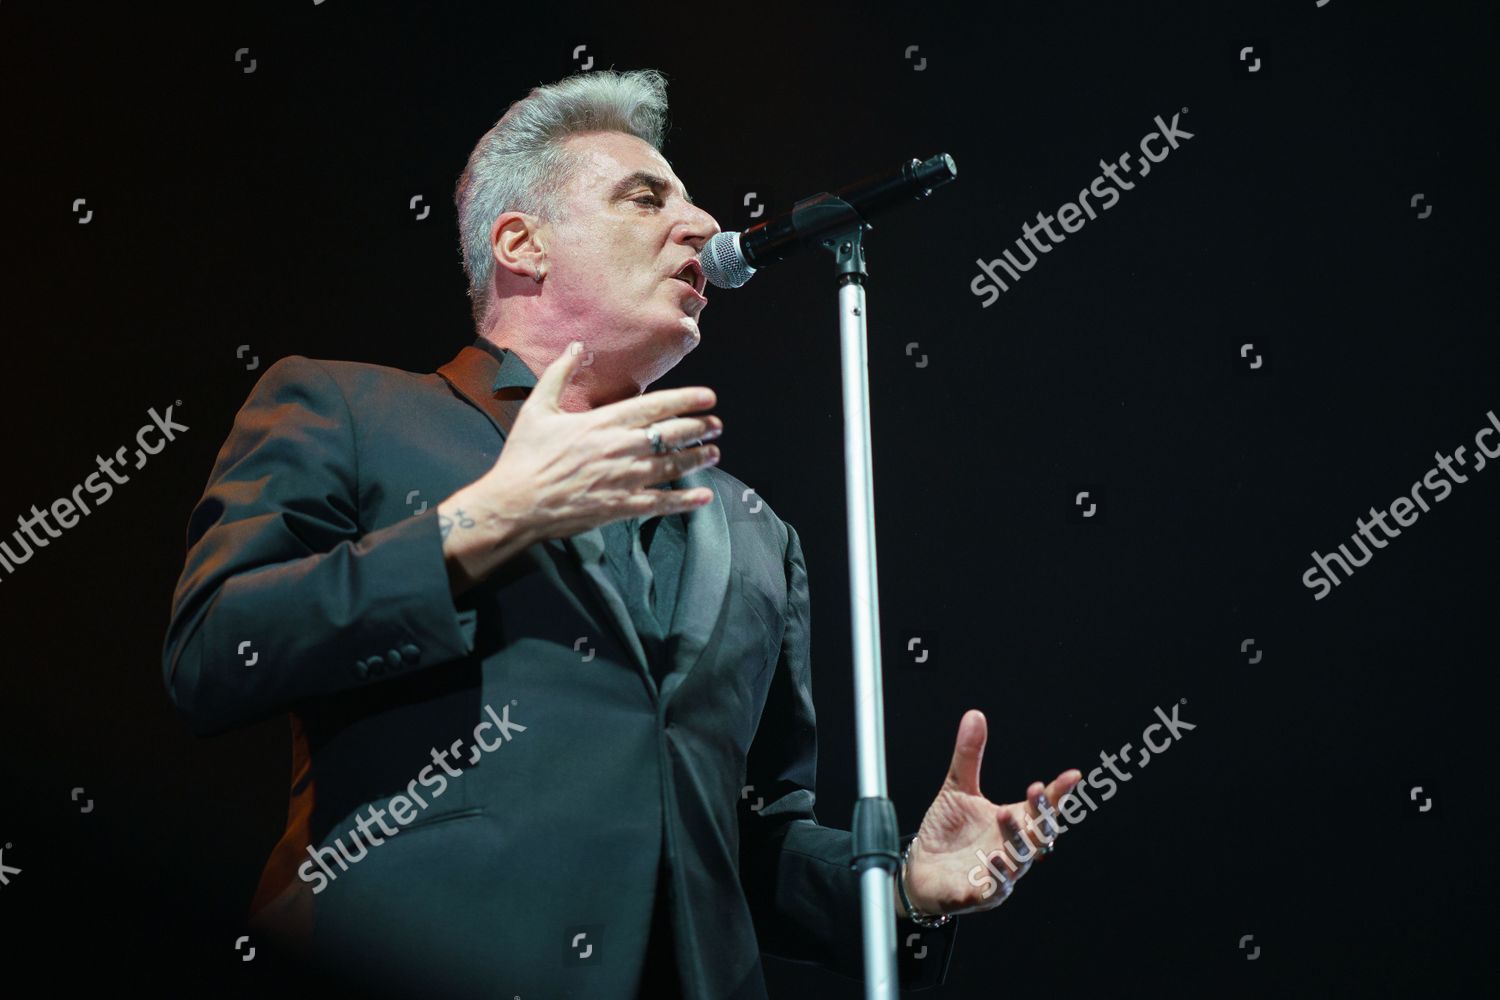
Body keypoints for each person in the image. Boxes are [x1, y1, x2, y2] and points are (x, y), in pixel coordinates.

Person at [161, 68, 1082, 999]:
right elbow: (213, 653)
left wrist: (899, 891)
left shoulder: (757, 530)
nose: (701, 224)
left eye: (689, 199)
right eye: (645, 198)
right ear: (521, 243)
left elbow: (742, 841)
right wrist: (484, 521)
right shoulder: (349, 409)